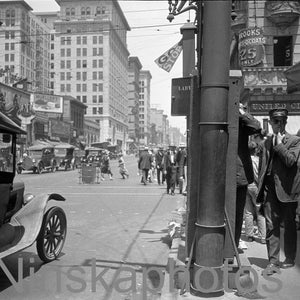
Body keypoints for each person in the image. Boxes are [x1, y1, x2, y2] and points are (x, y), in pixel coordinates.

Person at [257, 108, 300, 276]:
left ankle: (289, 258)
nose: (279, 124)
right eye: (275, 121)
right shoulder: (266, 142)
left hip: (287, 191)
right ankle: (273, 261)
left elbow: (290, 161)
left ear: (286, 122)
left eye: (282, 121)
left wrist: (280, 145)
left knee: (289, 225)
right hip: (270, 190)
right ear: (271, 123)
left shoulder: (295, 141)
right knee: (271, 225)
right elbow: (263, 165)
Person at [235, 103, 262, 248]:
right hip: (221, 175)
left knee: (239, 214)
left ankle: (233, 244)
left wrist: (241, 113)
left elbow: (256, 126)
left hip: (239, 176)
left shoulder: (242, 121)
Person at [244, 141, 266, 244]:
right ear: (255, 150)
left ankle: (249, 235)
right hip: (255, 186)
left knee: (248, 212)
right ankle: (262, 236)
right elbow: (258, 175)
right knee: (260, 211)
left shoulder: (245, 161)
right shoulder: (257, 160)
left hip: (246, 186)